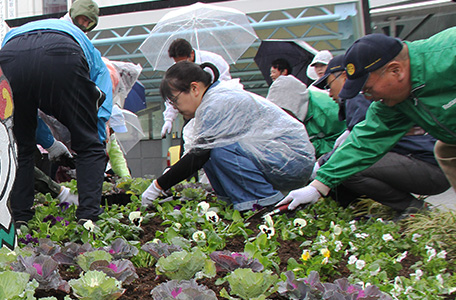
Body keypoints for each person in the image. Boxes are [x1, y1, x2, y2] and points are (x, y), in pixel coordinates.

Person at [285, 31, 456, 211]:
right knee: (445, 149)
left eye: (368, 89)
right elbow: (365, 141)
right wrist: (318, 186)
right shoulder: (394, 102)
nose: (367, 98)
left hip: (427, 163)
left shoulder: (448, 54)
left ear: (395, 70)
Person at [0, 4, 113, 226]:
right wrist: (96, 141)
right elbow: (100, 109)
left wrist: (50, 144)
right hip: (62, 54)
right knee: (89, 145)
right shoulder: (90, 50)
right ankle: (88, 219)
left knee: (21, 146)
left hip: (9, 57)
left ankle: (21, 220)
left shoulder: (25, 31)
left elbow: (26, 115)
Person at [141, 62, 314, 210]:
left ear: (194, 88)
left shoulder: (215, 104)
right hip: (282, 158)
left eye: (174, 100)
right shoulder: (214, 98)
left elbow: (199, 156)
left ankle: (261, 205)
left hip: (292, 161)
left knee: (218, 150)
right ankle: (234, 202)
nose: (175, 108)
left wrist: (158, 186)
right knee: (211, 149)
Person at [161, 38, 237, 138]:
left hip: (216, 112)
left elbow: (225, 87)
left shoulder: (214, 61)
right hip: (193, 115)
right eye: (177, 63)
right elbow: (174, 94)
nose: (181, 65)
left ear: (191, 54)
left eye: (184, 61)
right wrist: (169, 119)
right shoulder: (177, 71)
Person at [266, 73, 347, 158]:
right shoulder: (282, 118)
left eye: (283, 110)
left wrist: (310, 147)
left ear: (293, 104)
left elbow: (343, 141)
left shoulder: (328, 110)